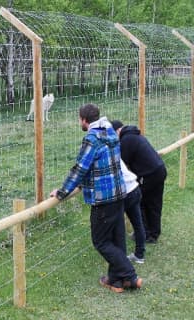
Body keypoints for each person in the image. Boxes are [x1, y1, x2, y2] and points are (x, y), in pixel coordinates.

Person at [50, 104, 142, 293]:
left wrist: (61, 192)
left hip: (103, 199)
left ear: (83, 120)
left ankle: (130, 275)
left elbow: (80, 169)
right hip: (119, 193)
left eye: (79, 119)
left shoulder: (91, 139)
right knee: (117, 239)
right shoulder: (109, 131)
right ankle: (116, 281)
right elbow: (101, 163)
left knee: (100, 241)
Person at [111, 120, 167, 244]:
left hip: (148, 175)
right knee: (154, 203)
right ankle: (154, 233)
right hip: (159, 170)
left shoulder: (126, 140)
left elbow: (123, 164)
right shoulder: (135, 135)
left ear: (117, 131)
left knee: (138, 201)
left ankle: (145, 233)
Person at [120, 159, 146, 264]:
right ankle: (139, 255)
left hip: (124, 192)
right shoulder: (115, 149)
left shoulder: (102, 153)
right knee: (138, 224)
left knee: (117, 227)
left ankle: (119, 258)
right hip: (134, 188)